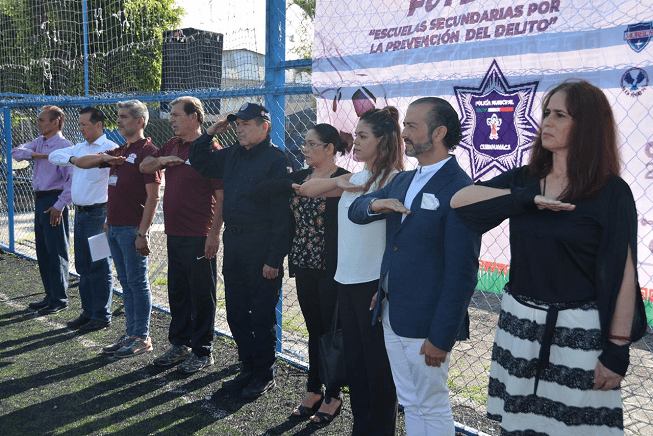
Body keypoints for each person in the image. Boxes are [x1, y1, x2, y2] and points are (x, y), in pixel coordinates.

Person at [450, 80, 648, 435]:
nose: (547, 122)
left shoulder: (611, 192)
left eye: (560, 115)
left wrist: (617, 349)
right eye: (545, 113)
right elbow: (460, 201)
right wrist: (525, 199)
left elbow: (623, 274)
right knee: (520, 429)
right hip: (519, 330)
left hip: (579, 337)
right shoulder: (527, 179)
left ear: (586, 124)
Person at [347, 98, 481, 435]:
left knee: (431, 403)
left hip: (427, 324)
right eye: (404, 125)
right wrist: (377, 203)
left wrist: (441, 336)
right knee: (411, 401)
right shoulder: (405, 181)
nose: (403, 132)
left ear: (438, 133)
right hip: (393, 313)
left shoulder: (460, 189)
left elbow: (462, 273)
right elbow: (357, 210)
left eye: (411, 126)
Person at [297, 107, 403, 435]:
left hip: (373, 285)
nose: (353, 141)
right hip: (346, 282)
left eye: (362, 136)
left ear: (383, 141)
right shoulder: (356, 177)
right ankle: (362, 427)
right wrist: (344, 181)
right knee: (356, 367)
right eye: (355, 135)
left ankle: (379, 429)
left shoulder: (395, 180)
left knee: (377, 369)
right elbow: (308, 189)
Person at [189, 102, 292, 398]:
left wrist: (274, 259)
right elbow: (201, 161)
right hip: (235, 244)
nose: (240, 128)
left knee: (261, 313)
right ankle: (247, 367)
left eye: (247, 124)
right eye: (238, 124)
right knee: (235, 311)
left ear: (265, 126)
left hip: (261, 246)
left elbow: (282, 218)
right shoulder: (233, 153)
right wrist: (209, 133)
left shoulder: (276, 160)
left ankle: (263, 373)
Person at [257, 124, 350, 423]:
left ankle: (334, 394)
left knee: (331, 331)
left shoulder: (343, 179)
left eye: (311, 144)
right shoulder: (300, 177)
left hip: (332, 267)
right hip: (305, 264)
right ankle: (313, 389)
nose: (304, 149)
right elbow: (262, 188)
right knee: (314, 329)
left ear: (329, 149)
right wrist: (292, 186)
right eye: (304, 144)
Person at [139, 97, 224, 374]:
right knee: (178, 291)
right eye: (171, 115)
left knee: (202, 295)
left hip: (199, 235)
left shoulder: (211, 150)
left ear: (195, 117)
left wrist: (214, 235)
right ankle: (180, 344)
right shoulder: (172, 145)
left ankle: (203, 351)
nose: (171, 119)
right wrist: (162, 160)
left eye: (176, 115)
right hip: (173, 233)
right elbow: (144, 166)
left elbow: (221, 197)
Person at [75, 100, 162, 358]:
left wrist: (142, 232)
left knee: (137, 282)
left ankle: (141, 336)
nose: (119, 120)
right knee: (125, 282)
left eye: (124, 116)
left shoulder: (149, 151)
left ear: (140, 121)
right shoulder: (121, 150)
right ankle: (130, 333)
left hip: (130, 228)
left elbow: (154, 197)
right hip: (112, 226)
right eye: (119, 116)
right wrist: (106, 158)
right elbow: (81, 162)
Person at [48, 107, 118, 331]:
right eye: (79, 125)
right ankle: (89, 311)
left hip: (99, 214)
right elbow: (54, 156)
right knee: (83, 265)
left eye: (83, 125)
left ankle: (101, 314)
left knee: (99, 265)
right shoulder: (79, 148)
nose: (80, 129)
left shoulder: (109, 149)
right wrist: (74, 158)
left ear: (98, 125)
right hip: (81, 214)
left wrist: (76, 159)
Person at [11, 105, 73, 315]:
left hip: (53, 200)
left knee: (56, 250)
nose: (38, 123)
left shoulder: (64, 147)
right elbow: (15, 152)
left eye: (42, 120)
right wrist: (34, 155)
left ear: (56, 122)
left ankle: (60, 298)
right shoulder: (40, 142)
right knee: (43, 250)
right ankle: (50, 294)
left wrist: (59, 206)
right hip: (40, 200)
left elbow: (70, 181)